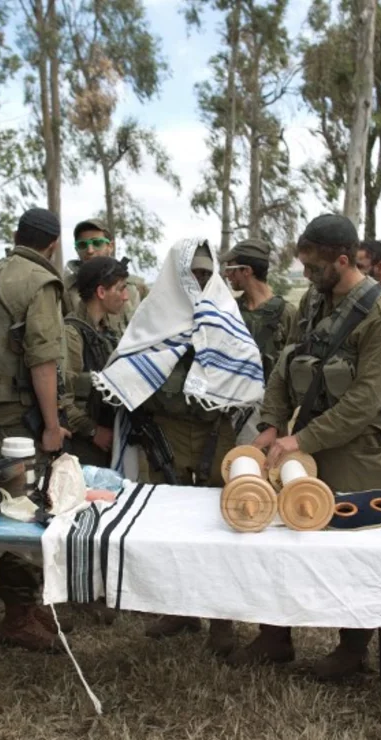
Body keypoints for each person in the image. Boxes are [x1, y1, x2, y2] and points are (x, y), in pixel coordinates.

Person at [230, 214, 381, 679]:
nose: (306, 276)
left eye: (313, 267)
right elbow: (286, 366)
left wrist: (300, 438)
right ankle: (274, 636)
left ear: (343, 261)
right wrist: (270, 423)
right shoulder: (312, 300)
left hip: (354, 448)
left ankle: (352, 650)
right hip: (301, 441)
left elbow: (366, 401)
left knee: (351, 548)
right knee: (281, 537)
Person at [0, 207, 70, 652]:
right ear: (53, 244)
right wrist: (52, 425)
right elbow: (43, 359)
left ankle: (22, 602)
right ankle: (19, 614)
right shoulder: (38, 282)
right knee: (22, 507)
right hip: (16, 415)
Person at [137, 243, 243, 657]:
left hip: (216, 427)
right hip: (169, 427)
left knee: (223, 522)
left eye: (204, 273)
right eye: (191, 273)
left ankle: (222, 619)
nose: (197, 280)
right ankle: (179, 609)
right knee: (170, 525)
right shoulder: (154, 312)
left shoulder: (227, 310)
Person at [63, 256, 128, 467]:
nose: (126, 297)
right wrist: (92, 430)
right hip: (84, 445)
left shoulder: (107, 331)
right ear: (101, 292)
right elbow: (61, 399)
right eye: (120, 289)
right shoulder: (72, 334)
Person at [222, 237, 297, 378]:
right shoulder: (230, 310)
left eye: (230, 268)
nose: (226, 274)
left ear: (246, 271)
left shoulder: (287, 313)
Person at [64, 217, 145, 326]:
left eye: (97, 243)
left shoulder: (134, 287)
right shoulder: (64, 290)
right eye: (82, 245)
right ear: (76, 250)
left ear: (110, 246)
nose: (90, 251)